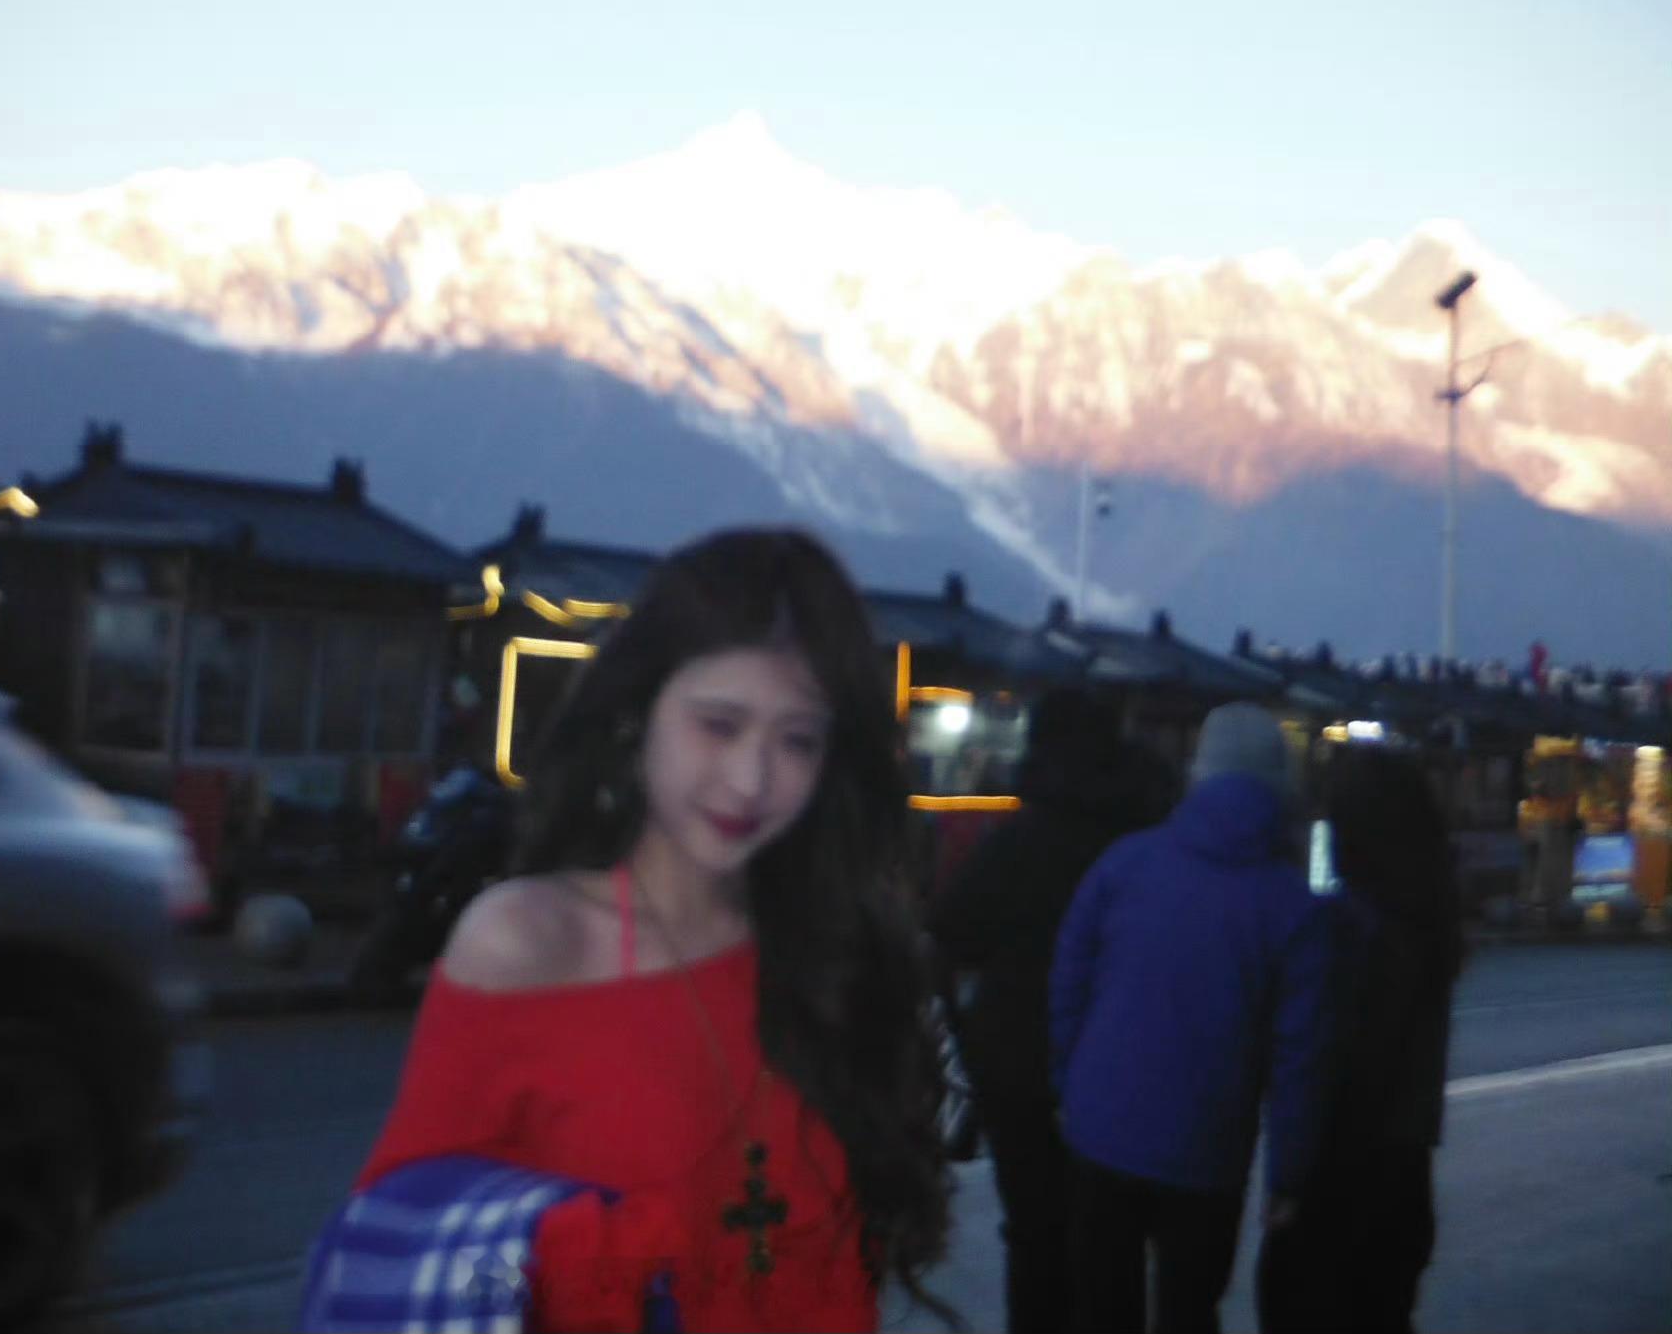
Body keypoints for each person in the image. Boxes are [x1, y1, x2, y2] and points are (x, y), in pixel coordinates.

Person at [348, 528, 953, 1334]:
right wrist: (583, 1270)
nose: (751, 778)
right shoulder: (528, 942)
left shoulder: (836, 950)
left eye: (797, 740)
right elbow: (405, 1250)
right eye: (719, 724)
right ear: (640, 712)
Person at [1050, 701, 1331, 1334]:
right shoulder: (1292, 907)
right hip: (1207, 1150)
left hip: (1100, 1129)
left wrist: (1068, 1082)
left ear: (1197, 773)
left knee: (1101, 1310)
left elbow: (1069, 980)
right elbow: (1299, 1058)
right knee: (1189, 1311)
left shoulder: (1125, 862)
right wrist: (1288, 1175)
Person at [927, 689, 1175, 1332]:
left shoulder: (1017, 843)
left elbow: (952, 931)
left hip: (1020, 1062)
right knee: (1112, 1241)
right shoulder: (1148, 836)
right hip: (1126, 1066)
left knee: (1036, 1233)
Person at [1257, 747, 1463, 1334]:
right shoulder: (1428, 922)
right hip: (1403, 1181)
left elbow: (1322, 1069)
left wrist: (1290, 1179)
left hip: (1341, 1184)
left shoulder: (1350, 935)